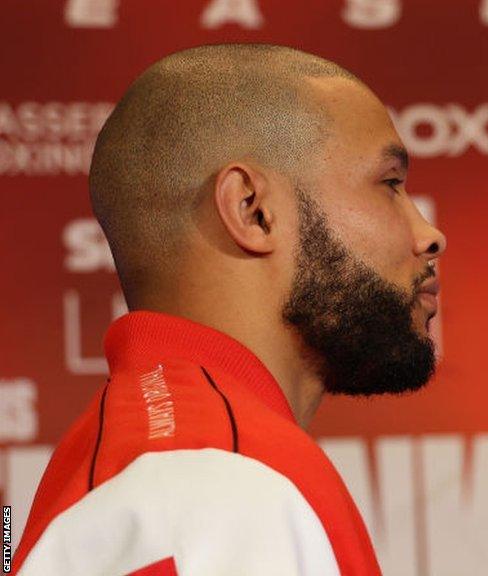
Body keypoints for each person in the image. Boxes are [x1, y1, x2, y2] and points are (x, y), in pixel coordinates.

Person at [13, 44, 445, 576]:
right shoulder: (217, 486)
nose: (429, 235)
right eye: (391, 185)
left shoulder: (161, 454)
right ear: (252, 210)